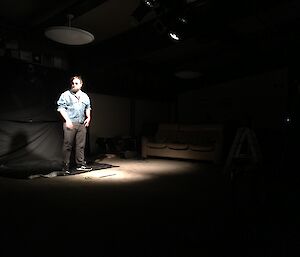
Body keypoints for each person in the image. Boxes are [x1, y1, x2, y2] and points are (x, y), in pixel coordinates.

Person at [57, 75, 92, 173]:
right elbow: (61, 108)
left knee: (81, 145)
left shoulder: (85, 96)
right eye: (72, 83)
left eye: (76, 83)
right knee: (67, 145)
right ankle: (65, 166)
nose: (73, 85)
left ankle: (80, 164)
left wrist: (88, 117)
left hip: (81, 124)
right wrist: (67, 120)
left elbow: (88, 107)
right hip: (70, 122)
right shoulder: (65, 95)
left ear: (81, 84)